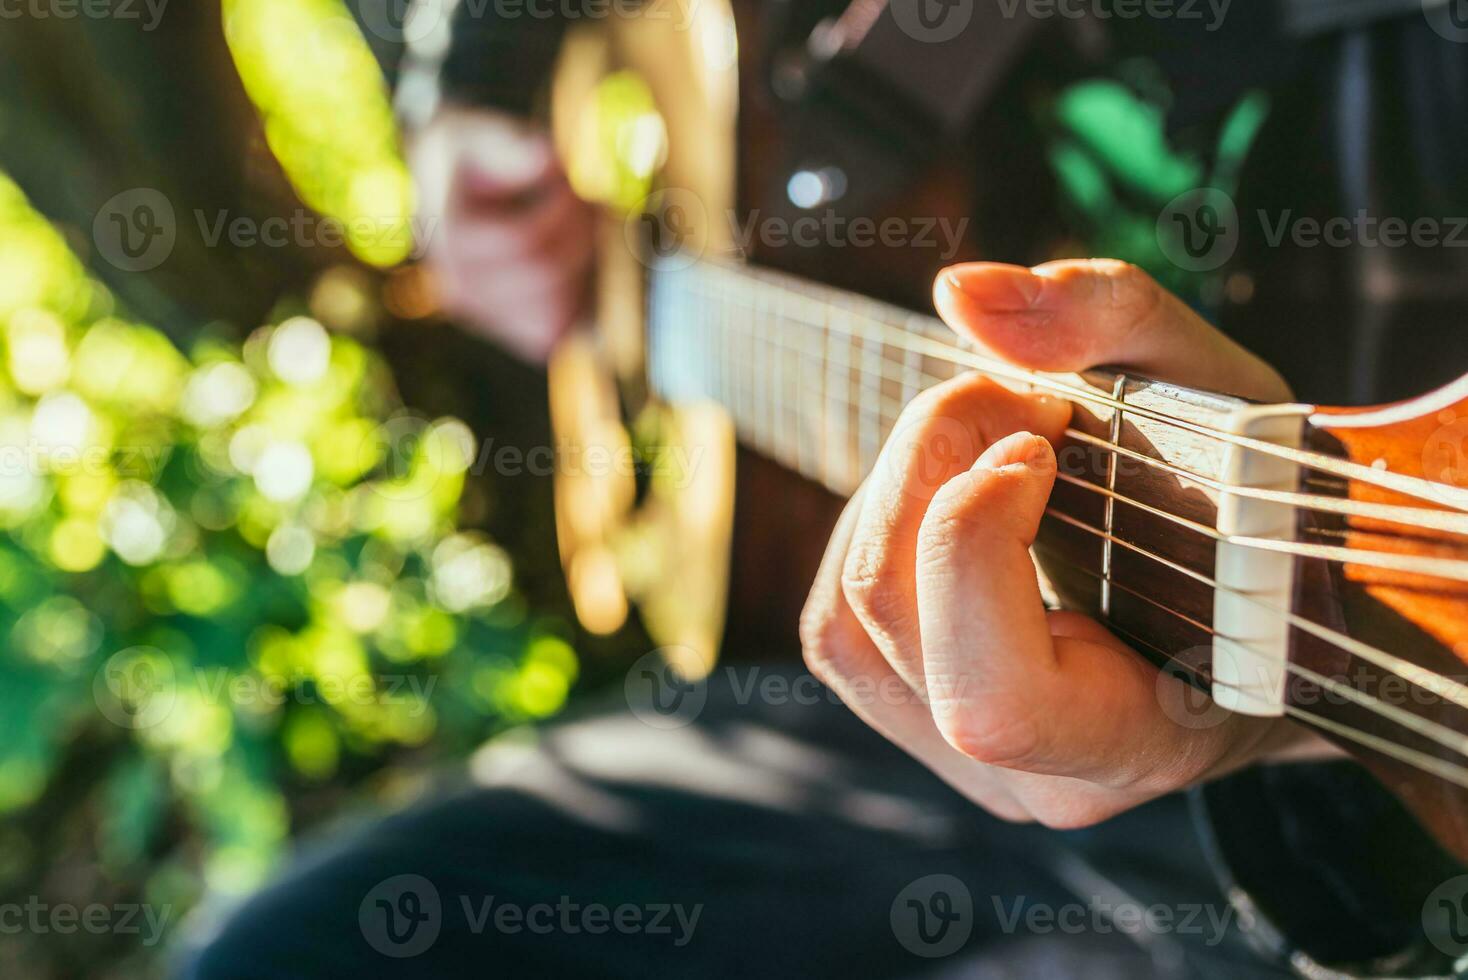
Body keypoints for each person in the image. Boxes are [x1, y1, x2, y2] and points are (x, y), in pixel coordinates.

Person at [179, 2, 1468, 977]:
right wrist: (470, 96)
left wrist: (1273, 727)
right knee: (288, 954)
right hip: (847, 689)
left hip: (1292, 760)